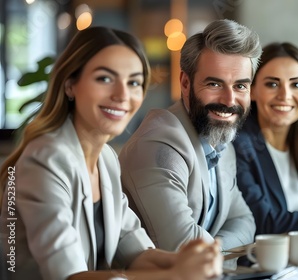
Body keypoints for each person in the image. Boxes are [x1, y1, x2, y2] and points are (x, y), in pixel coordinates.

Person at [0, 26, 222, 280]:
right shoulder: (45, 160)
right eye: (105, 78)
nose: (122, 95)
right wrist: (178, 274)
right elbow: (69, 277)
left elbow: (136, 251)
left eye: (134, 82)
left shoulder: (106, 159)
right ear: (70, 84)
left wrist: (185, 260)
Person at [118, 19, 261, 268]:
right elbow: (183, 248)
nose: (229, 100)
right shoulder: (158, 144)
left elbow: (245, 220)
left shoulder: (219, 140)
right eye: (214, 84)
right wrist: (224, 252)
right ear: (185, 83)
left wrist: (214, 251)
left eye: (240, 86)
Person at [233, 42, 298, 235]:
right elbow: (265, 221)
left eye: (296, 85)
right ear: (252, 90)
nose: (285, 95)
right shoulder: (240, 146)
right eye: (272, 84)